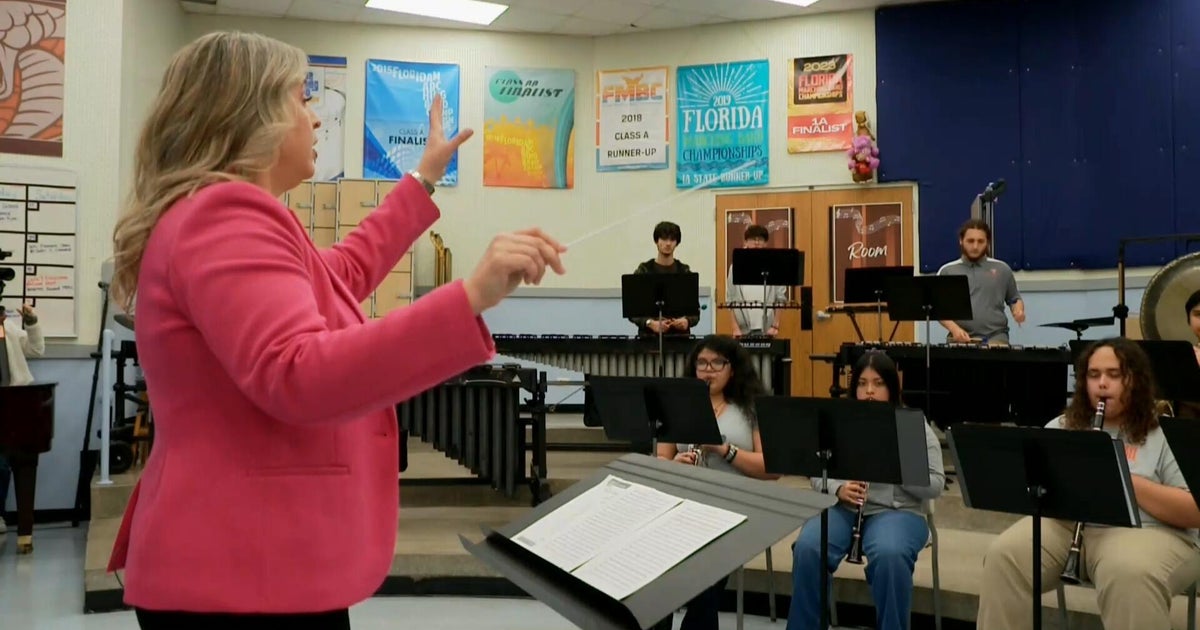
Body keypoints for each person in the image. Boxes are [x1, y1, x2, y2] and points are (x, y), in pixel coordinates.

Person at [105, 31, 565, 630]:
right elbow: (296, 372)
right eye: (302, 100)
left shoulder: (219, 212)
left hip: (248, 564)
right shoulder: (224, 214)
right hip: (243, 571)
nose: (317, 117)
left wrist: (423, 179)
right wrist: (469, 298)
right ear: (253, 116)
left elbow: (337, 275)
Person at [976, 338, 1200, 630]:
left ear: (1136, 380)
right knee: (1003, 556)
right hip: (1066, 525)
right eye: (1093, 375)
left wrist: (1116, 474)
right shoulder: (1062, 427)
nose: (1102, 384)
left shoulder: (1164, 433)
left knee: (1130, 572)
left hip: (1148, 531)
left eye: (1114, 374)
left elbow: (1193, 512)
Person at [787, 351, 944, 630]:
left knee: (890, 554)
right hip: (843, 508)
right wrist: (837, 488)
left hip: (897, 512)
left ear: (892, 387)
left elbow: (936, 484)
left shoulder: (907, 424)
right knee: (809, 548)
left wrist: (895, 466)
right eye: (862, 383)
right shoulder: (841, 420)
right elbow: (816, 470)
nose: (869, 391)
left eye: (878, 383)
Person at [654, 334, 779, 630]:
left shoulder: (751, 408)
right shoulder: (679, 405)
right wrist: (674, 465)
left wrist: (726, 451)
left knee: (707, 565)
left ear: (732, 369)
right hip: (684, 503)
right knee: (655, 562)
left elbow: (771, 468)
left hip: (734, 506)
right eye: (702, 363)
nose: (708, 370)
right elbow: (661, 460)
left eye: (716, 363)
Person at [936, 218, 1025, 345]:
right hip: (959, 338)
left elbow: (1014, 299)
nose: (975, 246)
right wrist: (954, 329)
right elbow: (938, 309)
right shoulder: (947, 271)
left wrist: (1018, 311)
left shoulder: (1002, 269)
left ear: (987, 242)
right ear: (961, 241)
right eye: (970, 241)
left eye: (980, 241)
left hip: (995, 337)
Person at [0, 303, 44, 539]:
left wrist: (31, 322)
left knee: (8, 462)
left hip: (13, 402)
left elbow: (36, 350)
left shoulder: (8, 329)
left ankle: (13, 523)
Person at [628, 221, 699, 336]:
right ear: (656, 241)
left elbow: (695, 312)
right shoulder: (643, 271)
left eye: (672, 239)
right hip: (649, 338)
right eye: (664, 239)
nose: (668, 243)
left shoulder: (684, 272)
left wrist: (687, 321)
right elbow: (632, 310)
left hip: (679, 338)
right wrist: (650, 323)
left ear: (677, 243)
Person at [726, 224, 788, 337]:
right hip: (742, 329)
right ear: (745, 242)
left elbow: (780, 298)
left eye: (760, 239)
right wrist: (735, 328)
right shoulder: (735, 267)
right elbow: (730, 299)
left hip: (767, 328)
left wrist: (775, 326)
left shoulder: (775, 266)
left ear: (765, 243)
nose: (756, 242)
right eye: (752, 239)